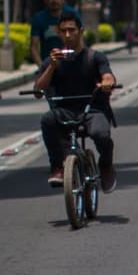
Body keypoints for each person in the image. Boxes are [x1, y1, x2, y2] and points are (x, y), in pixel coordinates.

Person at [34, 11, 118, 192]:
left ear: (80, 31)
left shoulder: (94, 57)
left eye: (71, 30)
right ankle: (57, 167)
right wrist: (51, 67)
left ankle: (106, 165)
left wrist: (107, 82)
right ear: (58, 33)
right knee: (48, 120)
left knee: (101, 134)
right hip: (65, 111)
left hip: (92, 110)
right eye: (63, 31)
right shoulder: (52, 60)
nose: (67, 35)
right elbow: (38, 91)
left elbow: (108, 75)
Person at [30, 0, 81, 66]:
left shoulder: (73, 14)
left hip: (72, 64)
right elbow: (34, 47)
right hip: (49, 65)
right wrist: (41, 67)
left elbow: (81, 40)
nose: (55, 0)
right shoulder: (39, 18)